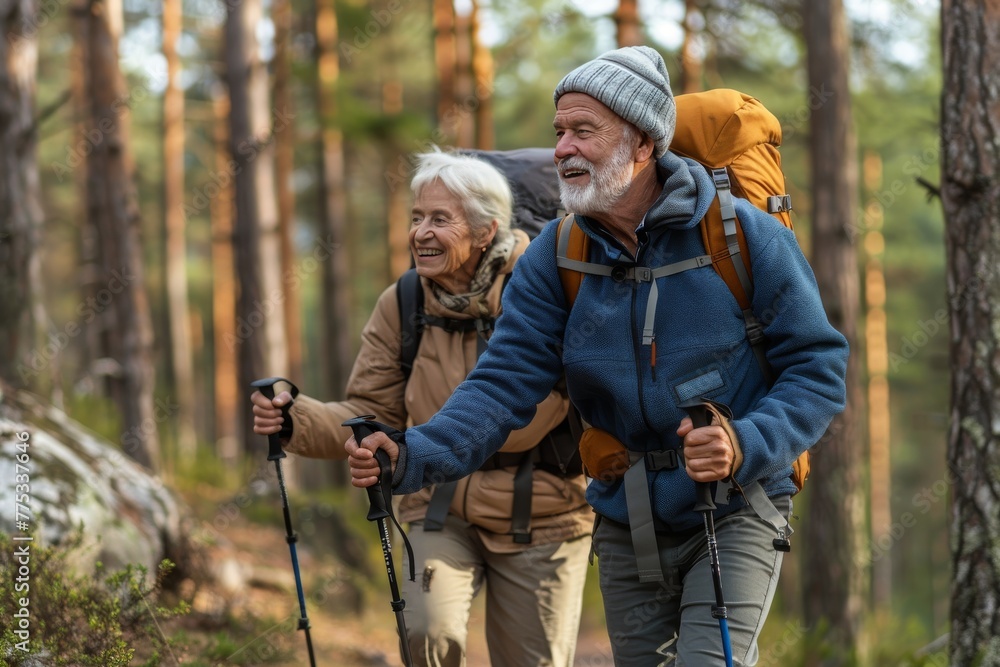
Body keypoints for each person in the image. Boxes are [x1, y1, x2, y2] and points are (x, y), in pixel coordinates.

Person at [347, 46, 850, 666]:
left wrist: (746, 441)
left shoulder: (742, 235)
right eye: (559, 131)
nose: (562, 148)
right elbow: (501, 386)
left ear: (643, 143)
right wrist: (413, 453)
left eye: (584, 131)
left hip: (736, 501)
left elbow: (818, 367)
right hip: (626, 511)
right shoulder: (555, 256)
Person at [251, 150, 593, 667]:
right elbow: (370, 409)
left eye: (439, 219)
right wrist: (294, 417)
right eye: (416, 217)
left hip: (544, 511)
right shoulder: (405, 302)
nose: (420, 232)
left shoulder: (546, 290)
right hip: (440, 506)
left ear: (485, 231)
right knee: (426, 636)